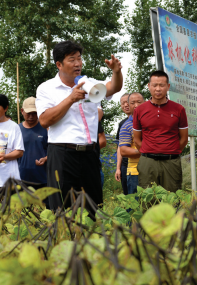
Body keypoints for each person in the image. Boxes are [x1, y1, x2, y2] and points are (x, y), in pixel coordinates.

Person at [36, 40, 123, 211]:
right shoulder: (46, 88)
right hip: (62, 155)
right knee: (62, 209)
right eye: (72, 59)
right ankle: (64, 238)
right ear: (59, 64)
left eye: (79, 58)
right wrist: (71, 98)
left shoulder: (90, 85)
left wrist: (116, 72)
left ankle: (91, 237)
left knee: (93, 208)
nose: (78, 64)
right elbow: (45, 120)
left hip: (90, 154)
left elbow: (114, 87)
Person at [133, 70, 188, 192]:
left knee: (172, 201)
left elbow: (184, 138)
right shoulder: (140, 110)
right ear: (149, 86)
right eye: (154, 85)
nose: (158, 89)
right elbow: (137, 139)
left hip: (171, 162)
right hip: (148, 162)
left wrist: (171, 150)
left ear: (168, 86)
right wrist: (149, 150)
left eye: (162, 85)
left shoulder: (179, 109)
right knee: (148, 201)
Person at [17, 97, 48, 189]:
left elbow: (54, 150)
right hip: (20, 179)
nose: (31, 116)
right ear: (22, 111)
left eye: (34, 113)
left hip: (43, 179)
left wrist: (46, 158)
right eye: (28, 113)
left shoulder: (46, 128)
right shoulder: (16, 129)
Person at [119, 93, 145, 194]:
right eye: (132, 103)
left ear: (145, 103)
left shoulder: (152, 122)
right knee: (135, 206)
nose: (136, 105)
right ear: (129, 106)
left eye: (139, 102)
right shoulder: (126, 125)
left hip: (154, 169)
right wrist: (146, 151)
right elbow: (123, 151)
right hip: (135, 172)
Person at [115, 93, 131, 195]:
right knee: (127, 196)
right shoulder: (122, 124)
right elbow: (119, 147)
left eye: (127, 102)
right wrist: (118, 168)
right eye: (122, 103)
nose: (125, 105)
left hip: (140, 164)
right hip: (125, 165)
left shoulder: (142, 120)